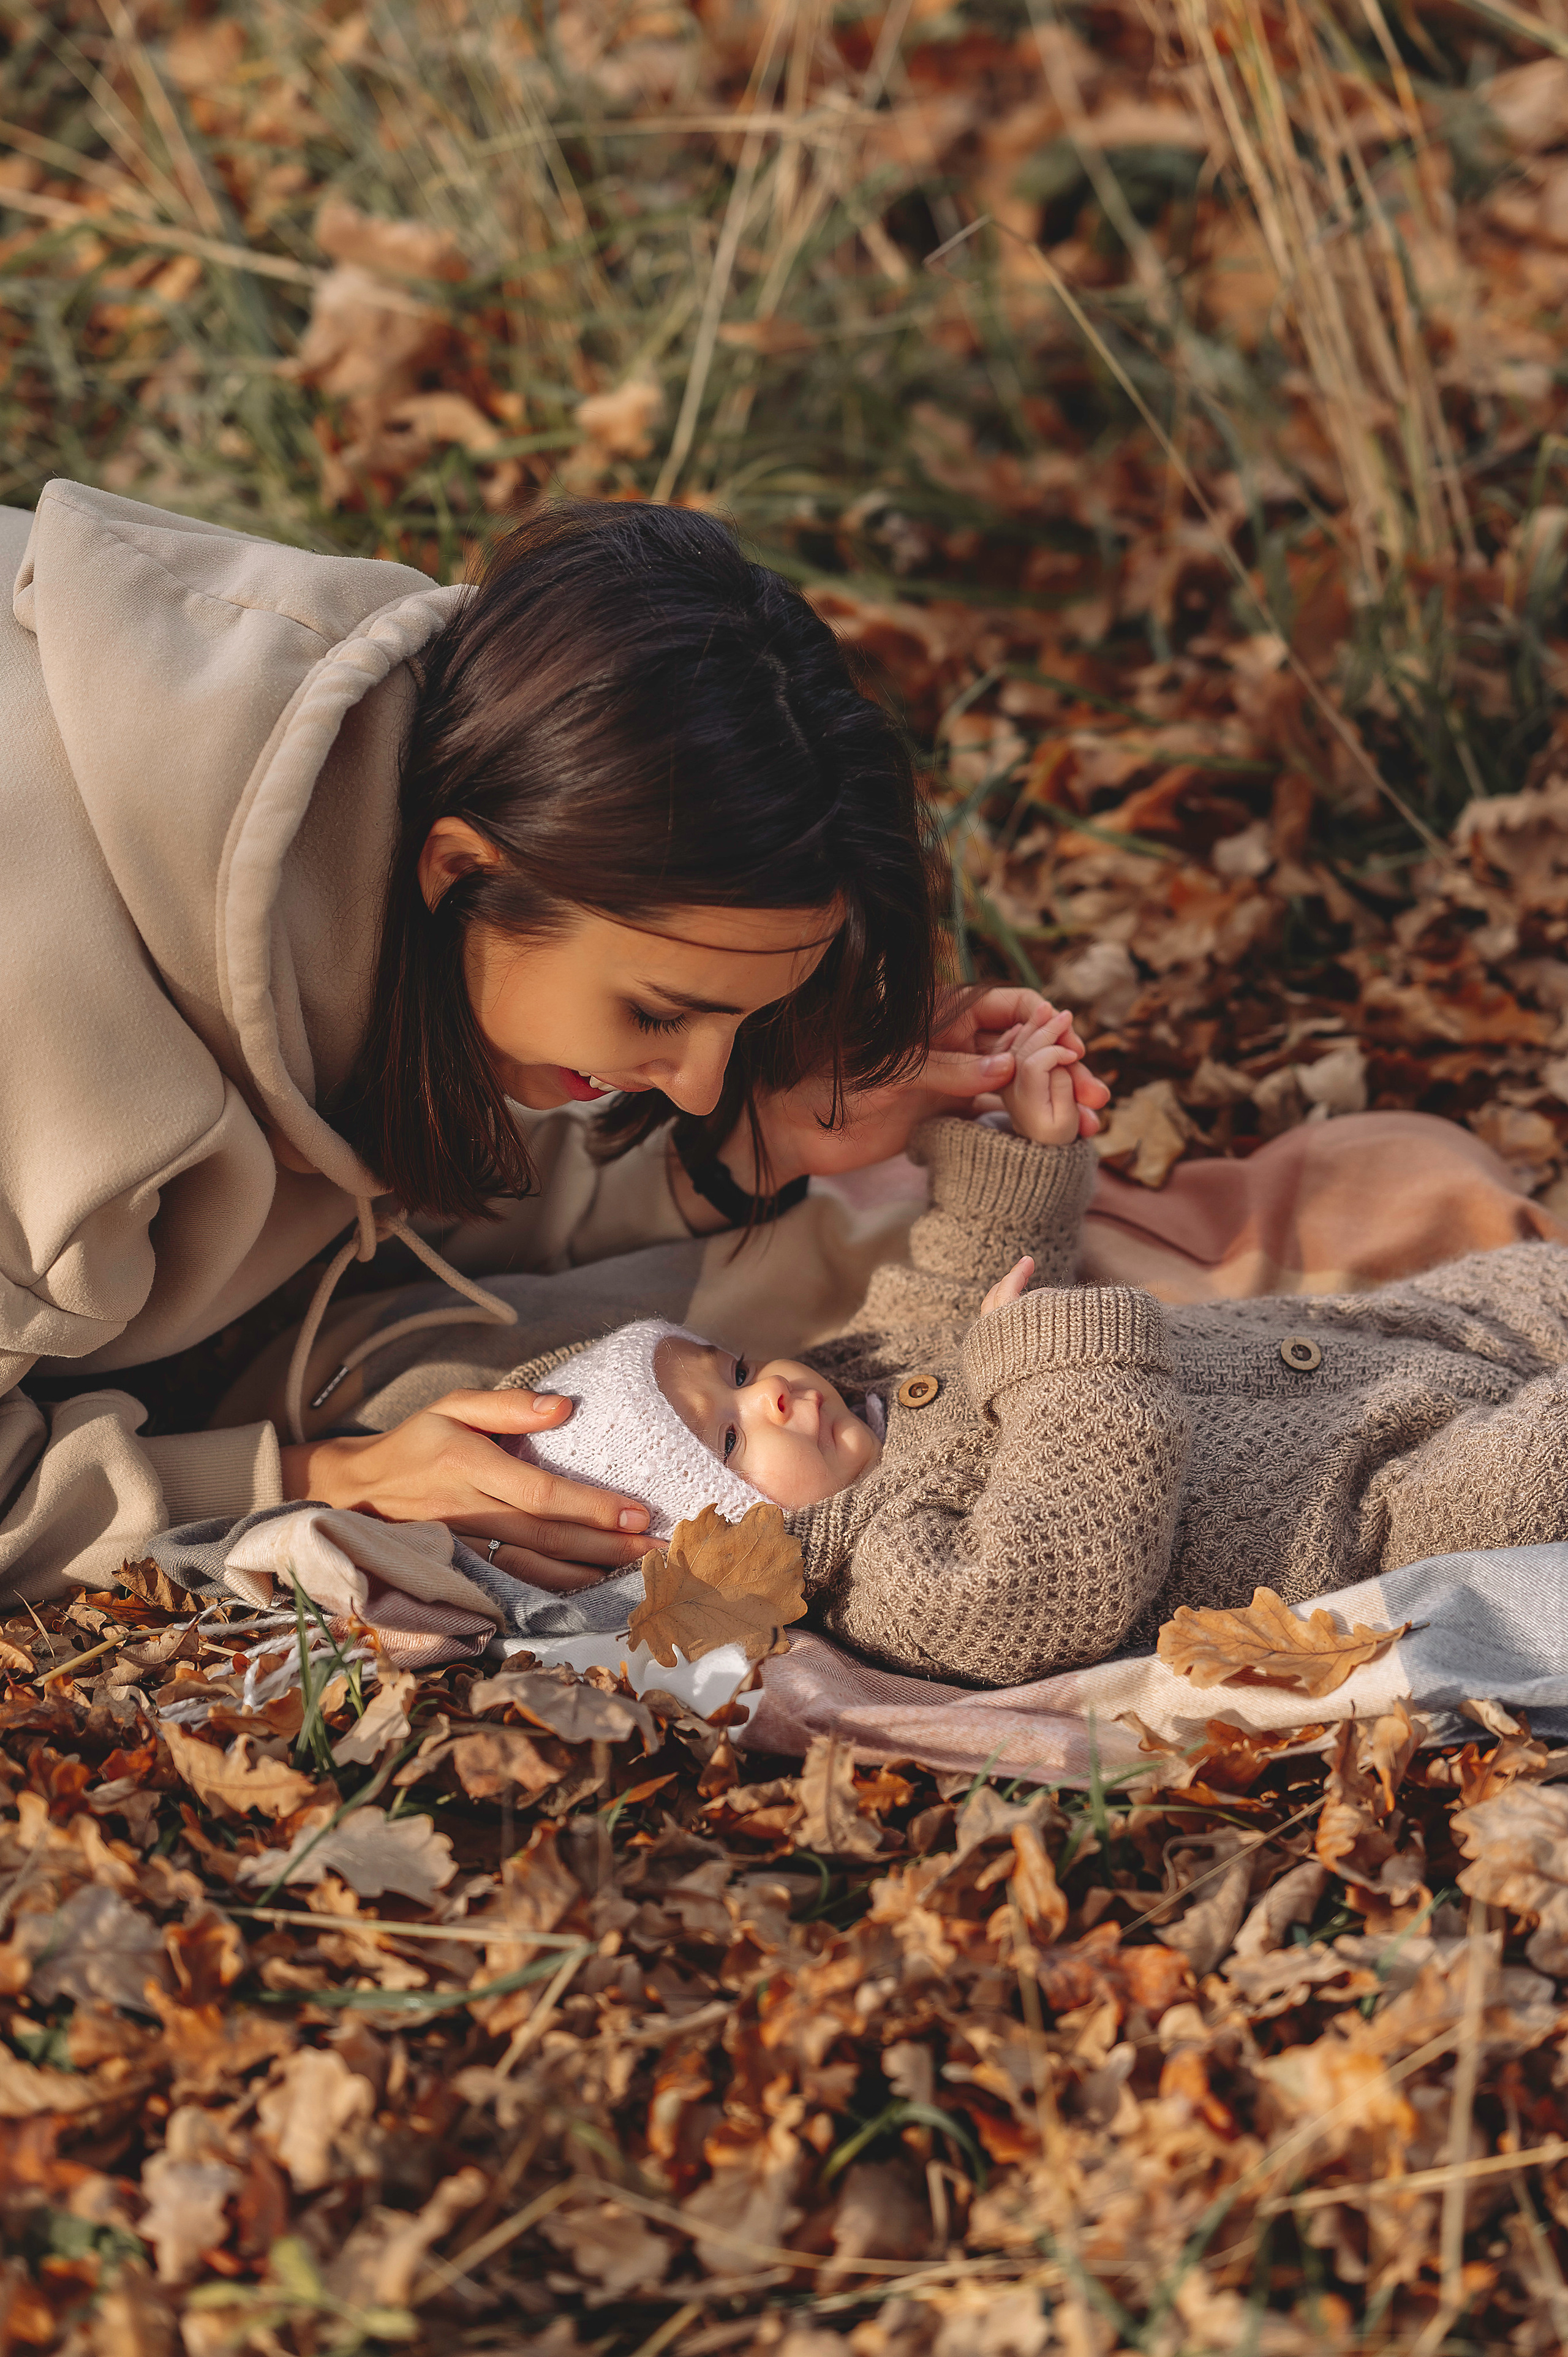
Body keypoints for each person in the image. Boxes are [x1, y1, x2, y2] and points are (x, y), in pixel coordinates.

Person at [0, 483, 1106, 1603]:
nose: (699, 1084)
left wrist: (735, 1149)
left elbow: (355, 1139)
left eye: (749, 1020)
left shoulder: (416, 751)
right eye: (662, 1014)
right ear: (465, 871)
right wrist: (324, 1476)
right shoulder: (54, 1101)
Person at [489, 1007, 1568, 1685]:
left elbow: (971, 1272)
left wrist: (1027, 1153)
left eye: (732, 1369)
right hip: (1378, 1501)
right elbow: (1059, 1566)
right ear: (727, 1557)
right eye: (727, 1437)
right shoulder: (894, 1581)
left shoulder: (864, 1374)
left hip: (1381, 1342)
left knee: (1526, 1284)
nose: (771, 1391)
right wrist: (1050, 1358)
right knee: (1540, 1464)